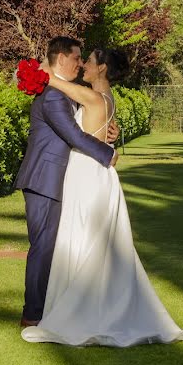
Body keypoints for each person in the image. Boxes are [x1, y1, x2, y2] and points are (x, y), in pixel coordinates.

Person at [21, 48, 183, 347]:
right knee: (94, 243)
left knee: (82, 239)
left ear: (102, 68)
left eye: (88, 61)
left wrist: (36, 68)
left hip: (87, 172)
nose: (83, 67)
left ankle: (78, 309)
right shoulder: (108, 98)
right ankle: (93, 303)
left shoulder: (90, 96)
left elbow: (50, 77)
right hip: (94, 173)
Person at [13, 37, 120, 327]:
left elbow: (90, 118)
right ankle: (32, 315)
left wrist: (107, 129)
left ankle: (50, 307)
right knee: (44, 246)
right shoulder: (52, 95)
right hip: (44, 179)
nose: (80, 62)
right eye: (76, 58)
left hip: (61, 178)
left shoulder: (66, 92)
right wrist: (106, 153)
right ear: (61, 59)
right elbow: (73, 135)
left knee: (55, 245)